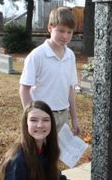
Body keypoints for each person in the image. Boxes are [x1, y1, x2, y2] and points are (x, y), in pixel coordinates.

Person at [19, 7, 81, 135]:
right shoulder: (37, 55)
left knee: (59, 153)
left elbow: (70, 88)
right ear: (50, 28)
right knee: (40, 153)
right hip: (42, 115)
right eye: (61, 31)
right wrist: (32, 117)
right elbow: (24, 89)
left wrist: (74, 118)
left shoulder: (70, 55)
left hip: (63, 114)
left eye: (69, 32)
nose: (65, 36)